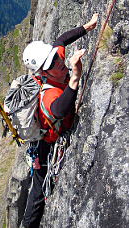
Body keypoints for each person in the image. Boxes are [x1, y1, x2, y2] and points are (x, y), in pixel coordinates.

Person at [21, 14, 98, 228]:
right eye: (53, 62)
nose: (59, 62)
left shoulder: (53, 61)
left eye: (56, 58)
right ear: (43, 72)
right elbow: (58, 110)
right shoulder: (49, 94)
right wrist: (74, 78)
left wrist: (87, 27)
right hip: (45, 146)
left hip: (47, 135)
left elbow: (61, 40)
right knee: (37, 193)